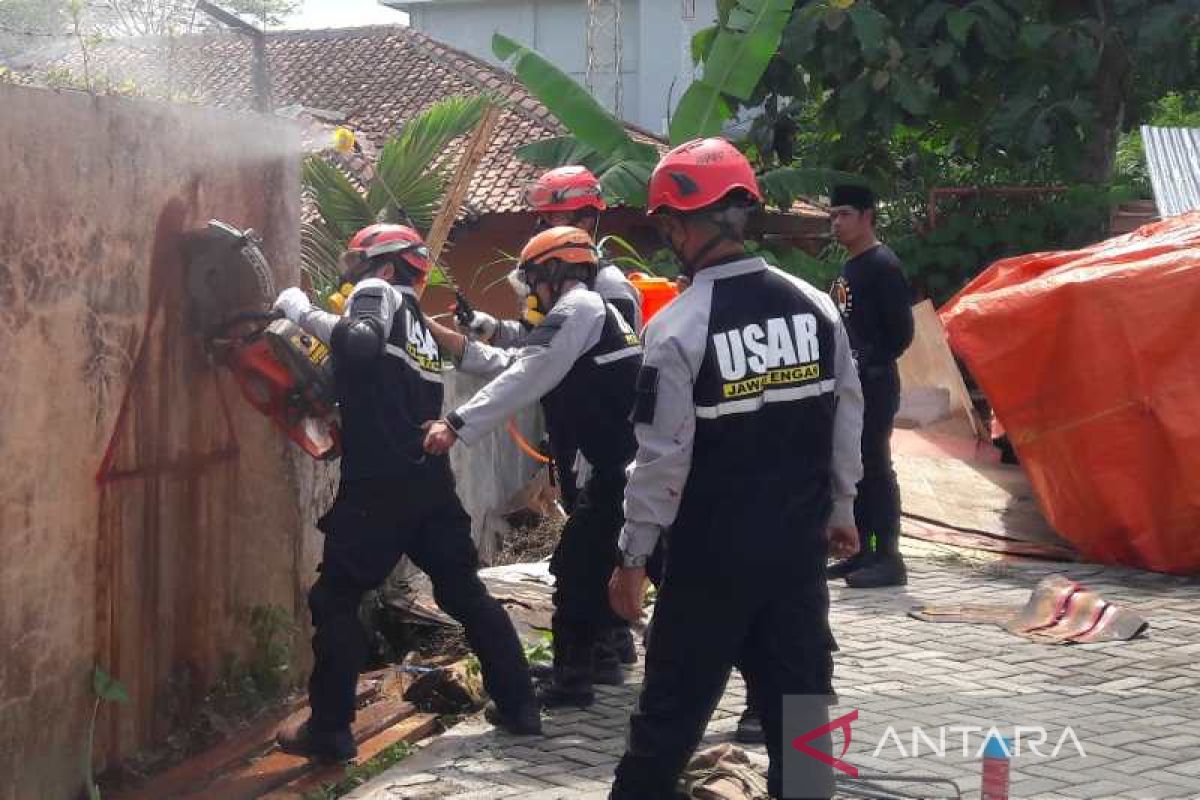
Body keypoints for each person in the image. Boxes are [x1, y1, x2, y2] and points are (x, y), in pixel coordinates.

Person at [607, 138, 864, 800]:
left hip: (709, 566)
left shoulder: (678, 329)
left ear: (676, 225)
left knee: (664, 729)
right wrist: (843, 509)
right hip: (796, 560)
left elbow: (662, 461)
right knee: (802, 730)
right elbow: (847, 416)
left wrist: (632, 558)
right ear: (742, 213)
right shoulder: (817, 306)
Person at [270, 224, 541, 762]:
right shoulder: (419, 325)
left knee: (338, 597)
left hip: (379, 485)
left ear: (388, 267)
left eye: (361, 270)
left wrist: (299, 309)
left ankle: (329, 732)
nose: (355, 286)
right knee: (464, 593)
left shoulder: (380, 293)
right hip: (430, 484)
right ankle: (519, 704)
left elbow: (358, 343)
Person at [423, 226, 643, 708]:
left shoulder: (578, 309)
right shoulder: (586, 310)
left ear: (553, 271)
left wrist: (458, 422)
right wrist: (454, 341)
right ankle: (584, 667)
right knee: (585, 568)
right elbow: (517, 358)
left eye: (534, 279)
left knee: (579, 567)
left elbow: (526, 370)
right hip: (624, 468)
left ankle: (576, 676)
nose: (531, 291)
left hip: (617, 471)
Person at [826, 184, 915, 589]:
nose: (836, 223)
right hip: (851, 386)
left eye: (844, 214)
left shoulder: (883, 266)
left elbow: (901, 334)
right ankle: (861, 550)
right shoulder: (851, 266)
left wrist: (868, 362)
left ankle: (887, 557)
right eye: (832, 216)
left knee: (876, 468)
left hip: (875, 387)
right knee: (854, 468)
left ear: (867, 217)